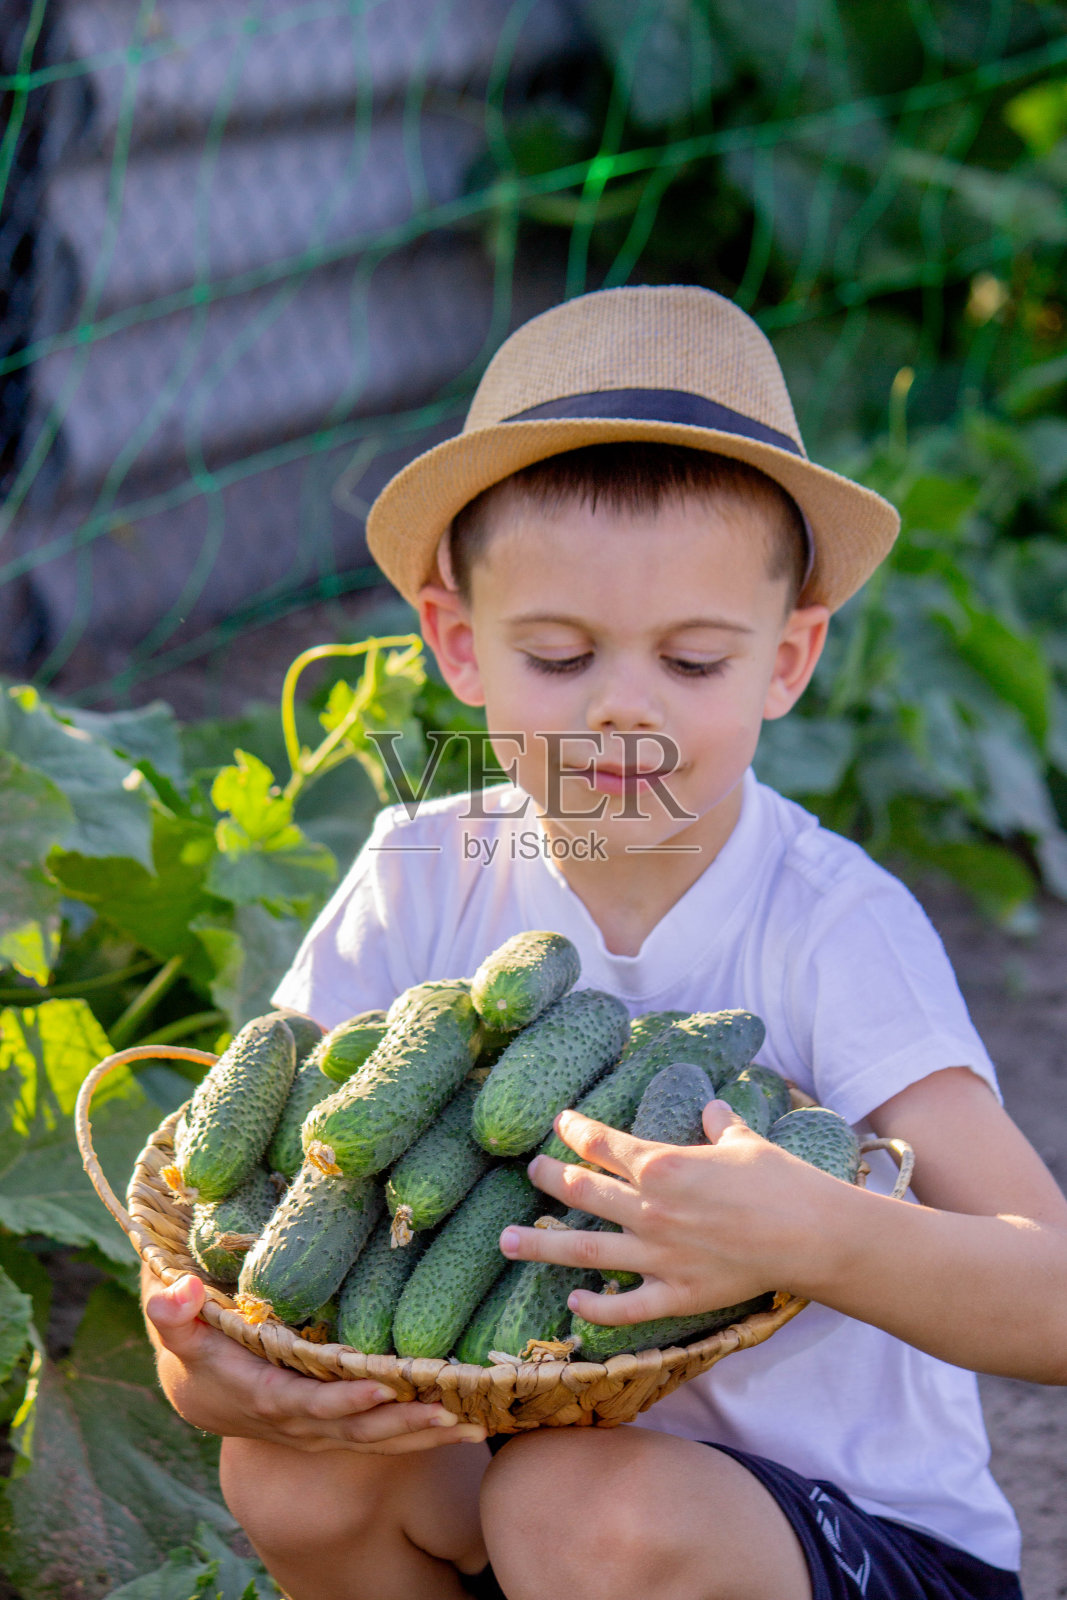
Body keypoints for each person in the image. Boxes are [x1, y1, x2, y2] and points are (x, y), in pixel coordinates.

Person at [143, 286, 1067, 1600]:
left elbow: (1055, 1297)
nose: (624, 710)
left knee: (578, 1506)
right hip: (529, 1493)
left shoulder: (829, 923)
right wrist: (210, 1363)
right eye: (563, 655)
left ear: (787, 662)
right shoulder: (423, 873)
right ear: (459, 646)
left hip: (849, 1546)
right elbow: (254, 1197)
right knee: (302, 1474)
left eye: (693, 662)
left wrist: (811, 1233)